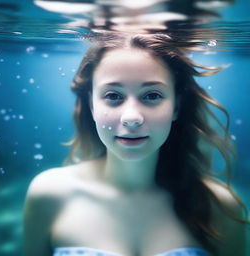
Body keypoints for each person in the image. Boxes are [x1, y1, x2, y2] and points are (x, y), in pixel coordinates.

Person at [23, 32, 249, 256]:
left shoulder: (221, 208)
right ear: (92, 105)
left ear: (176, 106)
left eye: (151, 95)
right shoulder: (49, 194)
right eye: (113, 96)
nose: (131, 118)